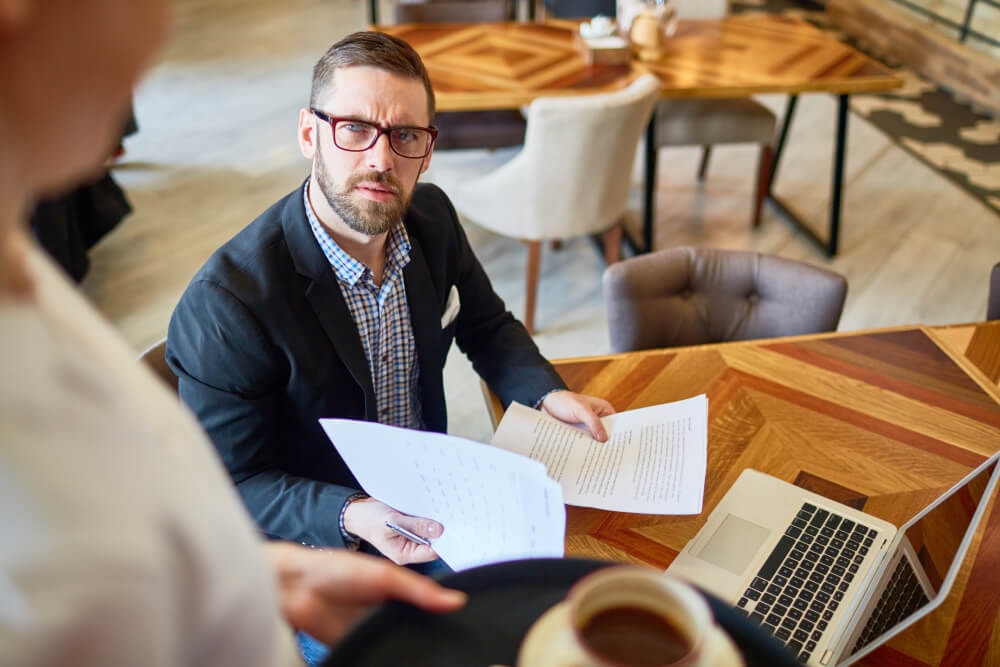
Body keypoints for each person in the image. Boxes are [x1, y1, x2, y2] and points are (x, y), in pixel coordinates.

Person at [0, 2, 466, 666]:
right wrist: (342, 521)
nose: (159, 28)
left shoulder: (33, 282)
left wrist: (254, 577)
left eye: (405, 137)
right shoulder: (228, 302)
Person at [166, 31, 616, 569]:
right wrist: (353, 514)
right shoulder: (226, 306)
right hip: (320, 550)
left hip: (439, 506)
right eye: (355, 128)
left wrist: (544, 393)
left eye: (405, 134)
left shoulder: (433, 220)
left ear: (427, 150)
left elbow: (486, 325)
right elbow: (233, 482)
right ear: (310, 134)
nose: (381, 159)